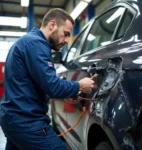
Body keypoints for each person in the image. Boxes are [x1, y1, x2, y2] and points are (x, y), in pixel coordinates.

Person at [0, 8, 94, 150]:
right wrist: (79, 86)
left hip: (13, 119)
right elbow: (52, 86)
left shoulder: (28, 42)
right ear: (52, 25)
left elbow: (36, 85)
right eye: (66, 34)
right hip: (27, 122)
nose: (67, 41)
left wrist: (67, 94)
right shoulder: (36, 44)